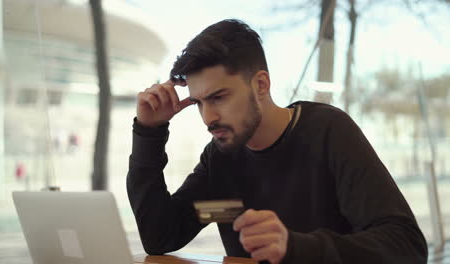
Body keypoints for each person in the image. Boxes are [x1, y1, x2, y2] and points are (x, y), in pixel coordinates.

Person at [126, 19, 427, 264]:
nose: (208, 117)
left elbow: (406, 246)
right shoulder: (221, 160)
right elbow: (161, 236)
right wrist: (148, 133)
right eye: (200, 103)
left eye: (218, 98)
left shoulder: (327, 132)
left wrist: (295, 248)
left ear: (260, 85)